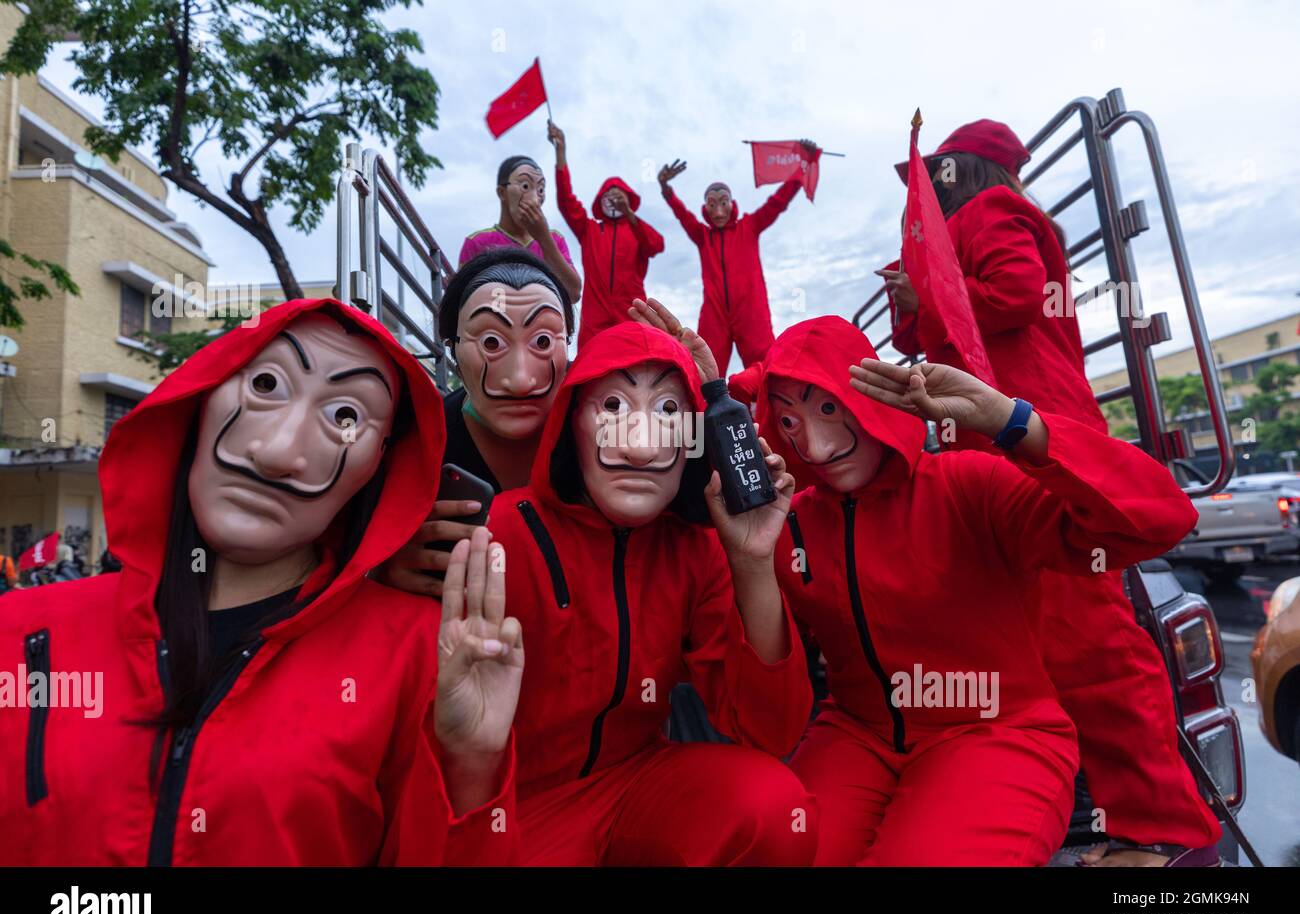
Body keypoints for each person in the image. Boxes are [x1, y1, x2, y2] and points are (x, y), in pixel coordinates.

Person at [0, 298, 522, 866]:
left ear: (381, 465)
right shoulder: (22, 632)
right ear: (202, 399)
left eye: (346, 417)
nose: (278, 453)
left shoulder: (422, 657)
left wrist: (470, 764)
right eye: (266, 384)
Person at [724, 314, 1199, 865]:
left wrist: (1013, 420)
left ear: (874, 393)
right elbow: (761, 702)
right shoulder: (786, 524)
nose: (817, 446)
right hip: (855, 734)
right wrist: (747, 556)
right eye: (788, 421)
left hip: (997, 732)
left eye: (828, 407)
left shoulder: (971, 484)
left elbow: (1160, 519)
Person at [878, 119, 1222, 867]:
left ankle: (1163, 833)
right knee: (1047, 642)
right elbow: (927, 338)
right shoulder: (958, 228)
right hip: (999, 445)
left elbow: (1013, 296)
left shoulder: (994, 213)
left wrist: (931, 288)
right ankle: (1123, 825)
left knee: (1088, 643)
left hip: (1033, 436)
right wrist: (913, 296)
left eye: (938, 172)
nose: (927, 187)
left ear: (966, 170)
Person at [486, 318, 817, 865]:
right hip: (512, 805)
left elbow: (771, 732)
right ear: (571, 424)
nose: (640, 447)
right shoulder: (499, 533)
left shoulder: (695, 547)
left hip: (636, 783)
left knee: (772, 808)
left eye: (668, 413)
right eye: (612, 408)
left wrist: (753, 563)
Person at [374, 248, 574, 597]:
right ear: (452, 350)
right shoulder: (413, 444)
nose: (521, 379)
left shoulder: (597, 434)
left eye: (542, 341)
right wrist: (378, 566)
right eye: (491, 342)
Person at [657, 141, 816, 374]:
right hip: (715, 312)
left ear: (732, 205)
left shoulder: (749, 226)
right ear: (706, 208)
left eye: (723, 203)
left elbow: (778, 202)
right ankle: (705, 411)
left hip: (751, 308)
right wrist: (665, 188)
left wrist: (803, 166)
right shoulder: (702, 236)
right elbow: (682, 215)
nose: (719, 211)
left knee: (765, 365)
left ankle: (765, 409)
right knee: (703, 364)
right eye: (712, 204)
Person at [547, 120, 665, 350]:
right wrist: (561, 153)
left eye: (619, 196)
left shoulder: (636, 228)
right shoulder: (590, 229)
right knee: (591, 370)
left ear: (629, 199)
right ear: (601, 199)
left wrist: (629, 214)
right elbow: (566, 201)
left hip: (631, 312)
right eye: (609, 195)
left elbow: (657, 245)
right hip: (595, 317)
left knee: (635, 369)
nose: (614, 199)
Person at [459, 155, 583, 302]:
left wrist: (544, 238)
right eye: (525, 186)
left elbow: (573, 293)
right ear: (502, 192)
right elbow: (462, 300)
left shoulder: (554, 239)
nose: (535, 199)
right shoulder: (478, 242)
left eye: (541, 189)